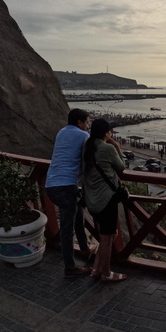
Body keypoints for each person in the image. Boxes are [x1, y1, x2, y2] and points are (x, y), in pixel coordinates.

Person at [45, 108, 93, 277]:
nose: (87, 126)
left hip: (51, 184)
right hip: (66, 186)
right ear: (79, 123)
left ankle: (85, 249)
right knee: (67, 228)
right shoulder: (83, 136)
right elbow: (87, 162)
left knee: (78, 213)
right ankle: (70, 268)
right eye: (86, 122)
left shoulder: (61, 132)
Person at [81, 118, 127, 282]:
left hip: (91, 200)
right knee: (107, 237)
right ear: (106, 132)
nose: (112, 133)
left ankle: (96, 269)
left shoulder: (87, 145)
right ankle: (106, 274)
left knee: (107, 235)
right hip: (106, 200)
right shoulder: (107, 148)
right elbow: (121, 167)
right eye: (110, 131)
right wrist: (117, 147)